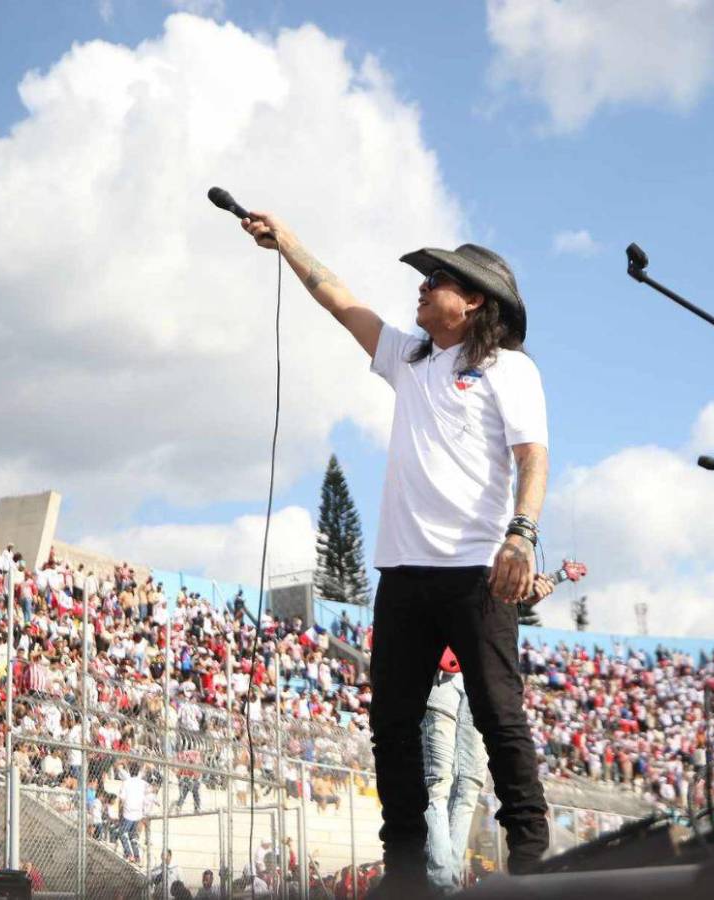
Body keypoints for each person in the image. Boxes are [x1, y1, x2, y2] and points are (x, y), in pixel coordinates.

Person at [242, 213, 551, 896]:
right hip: (404, 573)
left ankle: (533, 859)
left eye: (437, 279)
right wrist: (286, 241)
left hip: (476, 572)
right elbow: (340, 301)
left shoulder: (510, 370)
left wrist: (522, 533)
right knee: (392, 724)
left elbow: (533, 457)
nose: (422, 285)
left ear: (474, 300)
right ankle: (406, 868)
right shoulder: (409, 359)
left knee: (499, 716)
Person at [422, 574, 554, 893]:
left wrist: (524, 595)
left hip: (479, 670)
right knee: (437, 780)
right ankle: (441, 879)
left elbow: (492, 605)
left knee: (470, 782)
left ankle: (449, 881)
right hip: (438, 669)